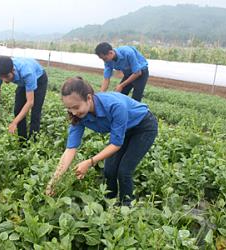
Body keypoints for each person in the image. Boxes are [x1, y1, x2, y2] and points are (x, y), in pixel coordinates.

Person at [45, 77, 158, 205]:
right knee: (109, 169)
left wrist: (90, 162)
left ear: (88, 98)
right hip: (123, 129)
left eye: (76, 107)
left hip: (143, 127)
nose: (74, 112)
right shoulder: (79, 116)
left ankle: (127, 207)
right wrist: (53, 181)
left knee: (124, 170)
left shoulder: (114, 106)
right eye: (69, 108)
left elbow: (116, 144)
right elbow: (70, 149)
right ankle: (110, 201)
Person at [0, 56, 48, 141]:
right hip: (23, 82)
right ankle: (22, 141)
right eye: (2, 77)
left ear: (13, 70)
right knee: (18, 109)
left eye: (7, 76)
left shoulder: (27, 73)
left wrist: (14, 122)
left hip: (39, 79)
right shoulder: (0, 71)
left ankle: (33, 142)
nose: (4, 80)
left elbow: (30, 102)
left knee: (35, 112)